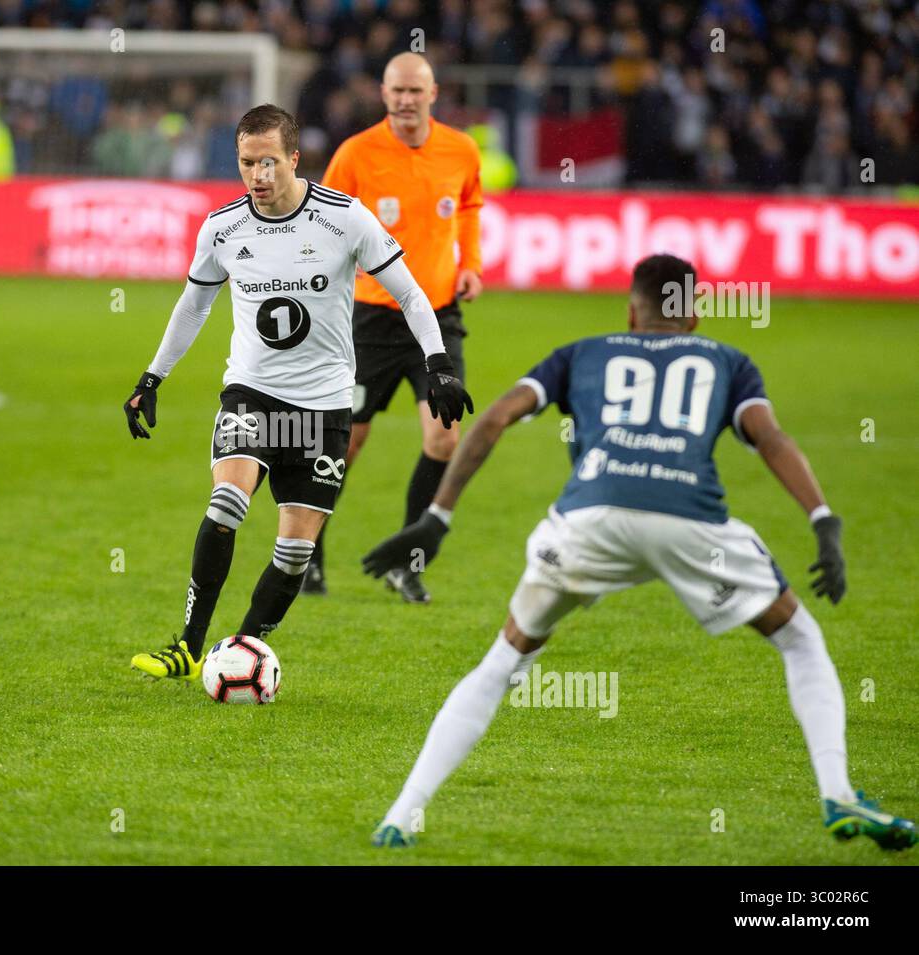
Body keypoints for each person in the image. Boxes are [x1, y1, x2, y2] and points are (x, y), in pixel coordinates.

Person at [363, 254, 916, 851]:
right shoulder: (728, 361)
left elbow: (494, 418)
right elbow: (771, 438)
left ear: (631, 311)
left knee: (503, 661)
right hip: (690, 524)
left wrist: (436, 518)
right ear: (695, 317)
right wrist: (823, 519)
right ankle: (837, 791)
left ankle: (402, 813)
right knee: (799, 638)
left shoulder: (583, 351)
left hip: (587, 523)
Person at [124, 104, 472, 681]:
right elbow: (193, 306)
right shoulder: (223, 228)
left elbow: (412, 295)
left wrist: (437, 362)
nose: (257, 176)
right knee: (225, 505)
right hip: (252, 394)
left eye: (267, 163)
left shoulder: (345, 219)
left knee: (294, 553)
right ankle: (188, 646)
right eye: (245, 163)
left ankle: (243, 649)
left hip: (323, 407)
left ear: (293, 158)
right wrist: (151, 378)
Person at [310, 52, 484, 603]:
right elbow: (323, 224)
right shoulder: (355, 154)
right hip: (369, 320)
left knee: (445, 435)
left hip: (435, 316)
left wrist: (470, 263)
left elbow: (471, 204)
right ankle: (306, 556)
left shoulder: (462, 149)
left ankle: (407, 564)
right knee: (346, 442)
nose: (406, 100)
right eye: (397, 91)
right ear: (383, 94)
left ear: (434, 94)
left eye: (416, 90)